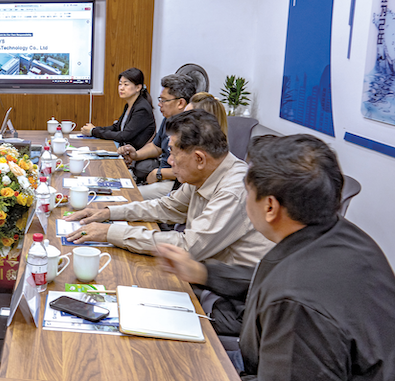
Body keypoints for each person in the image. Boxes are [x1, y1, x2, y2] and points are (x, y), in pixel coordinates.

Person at [158, 134, 395, 380]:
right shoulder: (343, 236)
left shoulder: (296, 304)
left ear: (270, 207)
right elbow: (271, 277)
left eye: (248, 192)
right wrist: (203, 273)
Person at [67, 110, 273, 266]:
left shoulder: (234, 189)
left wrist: (111, 232)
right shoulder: (205, 173)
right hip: (203, 274)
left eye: (173, 153)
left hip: (228, 297)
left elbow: (187, 247)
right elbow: (166, 207)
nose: (170, 161)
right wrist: (108, 213)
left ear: (199, 158)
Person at [118, 74, 196, 197]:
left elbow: (190, 171)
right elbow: (156, 146)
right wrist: (136, 155)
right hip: (161, 176)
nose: (159, 104)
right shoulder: (168, 119)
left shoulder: (191, 127)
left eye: (163, 100)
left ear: (180, 103)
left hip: (176, 183)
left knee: (130, 195)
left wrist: (159, 173)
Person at [81, 67, 156, 150]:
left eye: (126, 84)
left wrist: (93, 131)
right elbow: (116, 127)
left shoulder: (142, 109)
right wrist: (95, 129)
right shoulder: (129, 105)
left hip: (134, 154)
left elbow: (124, 136)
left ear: (138, 87)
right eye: (120, 84)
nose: (121, 88)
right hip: (124, 149)